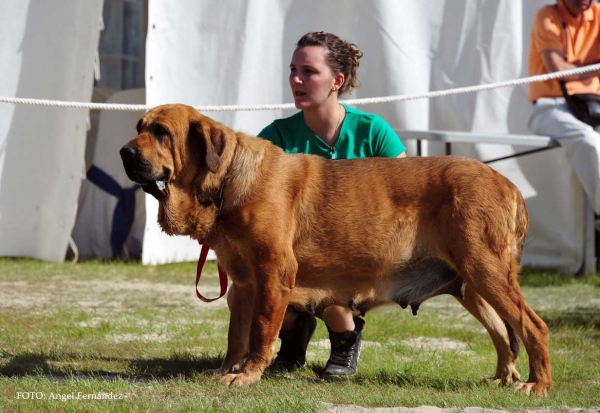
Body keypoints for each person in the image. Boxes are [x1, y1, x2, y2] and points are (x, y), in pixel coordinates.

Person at [244, 31, 406, 378]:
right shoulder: (275, 136)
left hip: (362, 252)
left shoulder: (374, 131)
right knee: (254, 285)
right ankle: (292, 335)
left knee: (327, 280)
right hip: (294, 254)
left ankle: (345, 339)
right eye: (292, 70)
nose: (296, 80)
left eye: (308, 71)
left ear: (338, 81)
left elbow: (408, 193)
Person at [528, 0, 600, 219]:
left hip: (592, 107)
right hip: (550, 108)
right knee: (588, 140)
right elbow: (557, 69)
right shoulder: (546, 16)